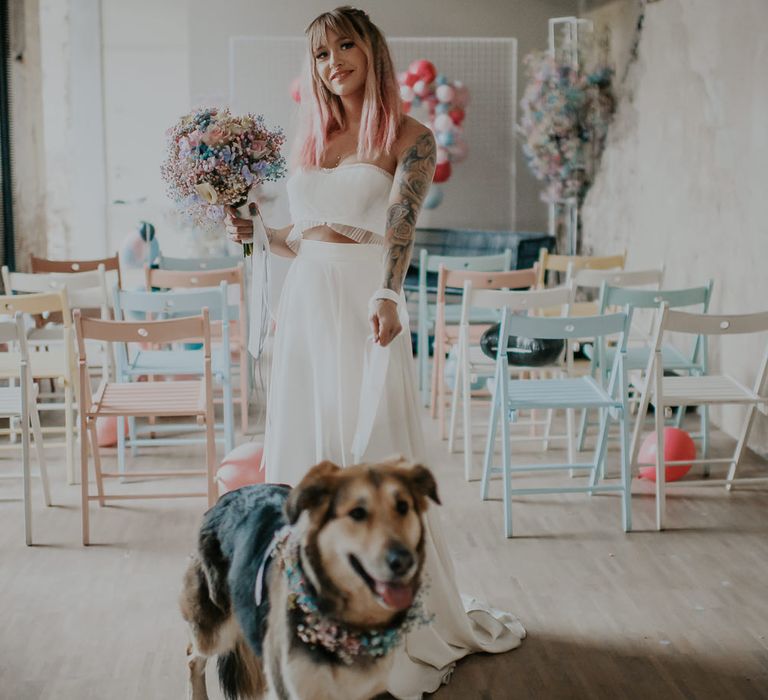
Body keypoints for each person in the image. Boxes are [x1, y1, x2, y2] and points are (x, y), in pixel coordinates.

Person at [226, 7, 524, 698]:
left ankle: (394, 618)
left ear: (372, 50)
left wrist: (389, 295)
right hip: (306, 302)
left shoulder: (411, 138)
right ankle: (310, 613)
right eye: (322, 54)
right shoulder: (313, 142)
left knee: (370, 446)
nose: (335, 62)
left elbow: (399, 227)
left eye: (346, 46)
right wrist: (258, 230)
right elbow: (306, 240)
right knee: (307, 452)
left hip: (366, 301)